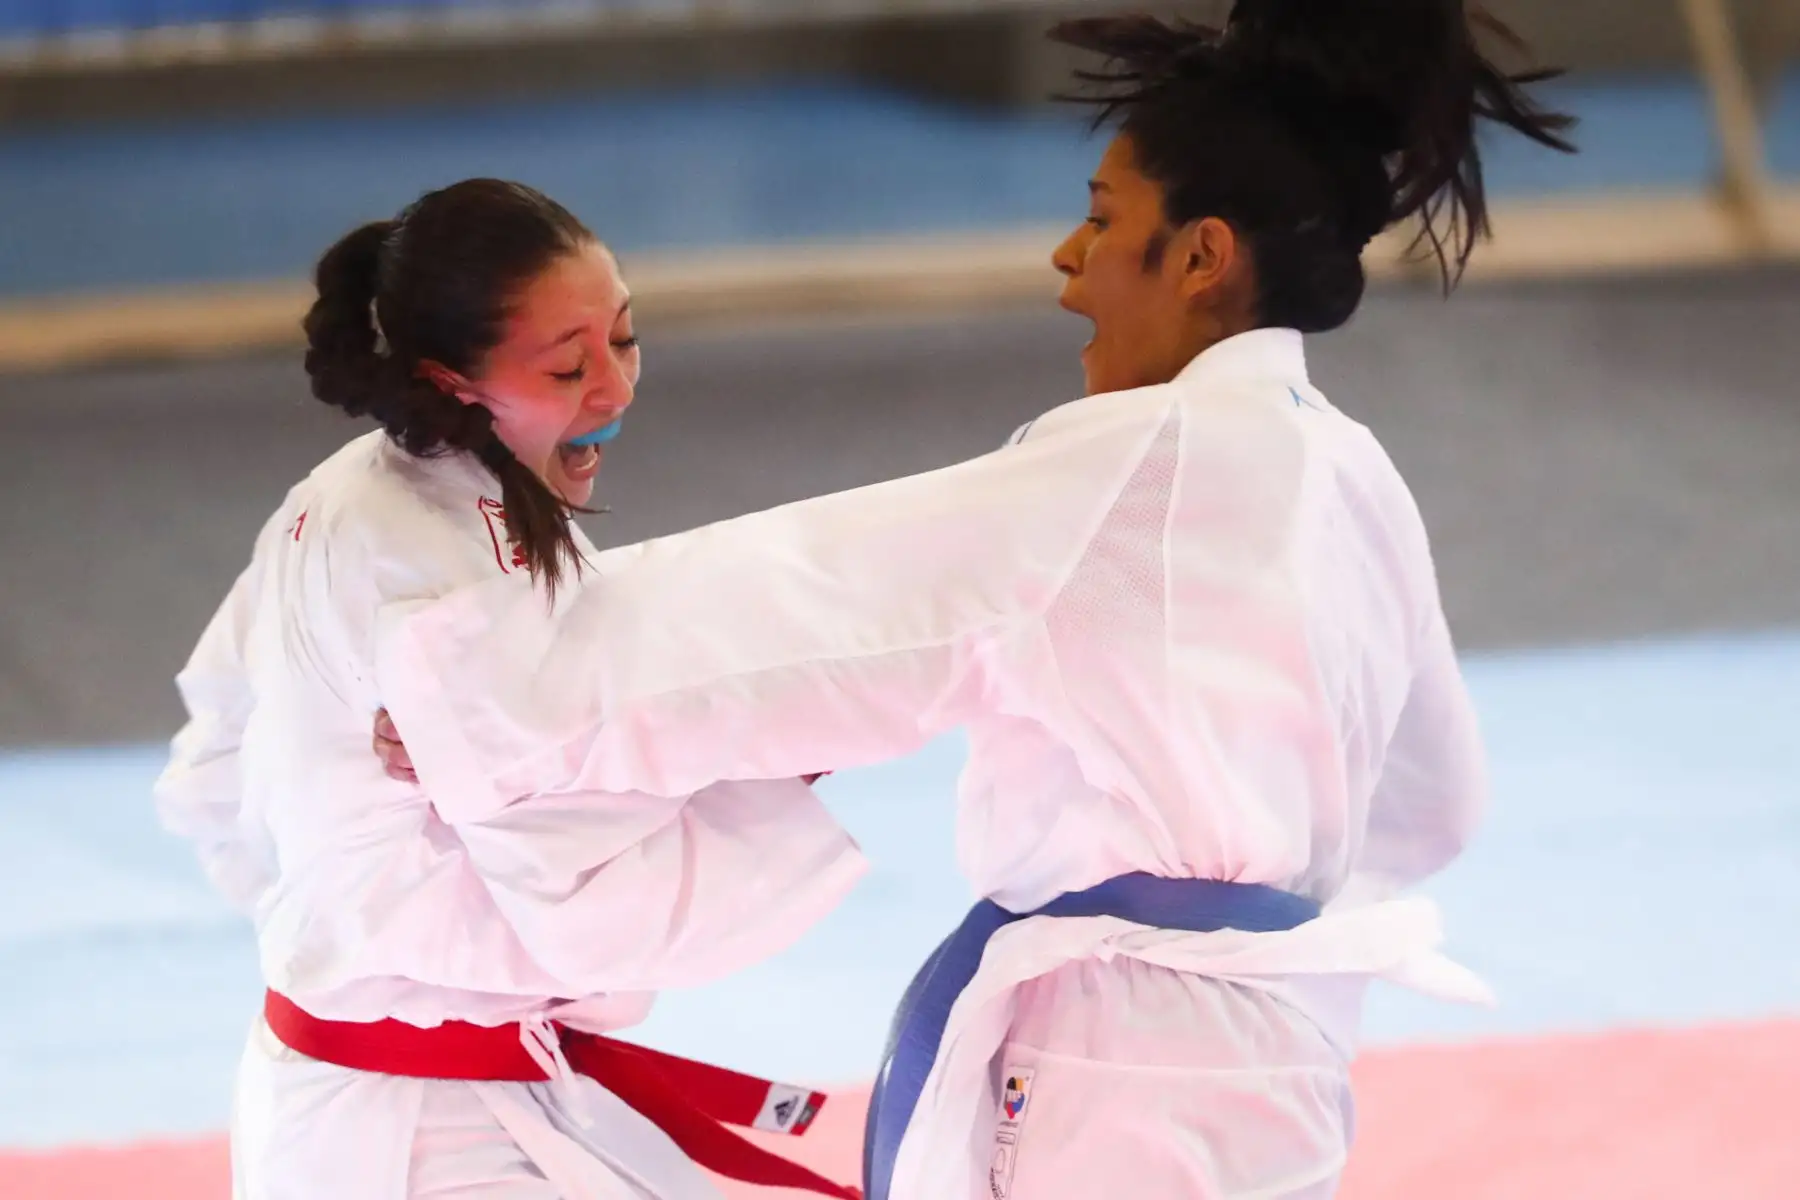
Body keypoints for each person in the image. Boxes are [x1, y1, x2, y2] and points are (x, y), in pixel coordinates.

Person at [370, 4, 1577, 1196]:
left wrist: (482, 691)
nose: (1067, 258)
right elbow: (1433, 802)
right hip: (1285, 1062)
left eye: (1103, 219)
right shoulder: (1353, 475)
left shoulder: (1137, 467)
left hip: (1123, 1070)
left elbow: (818, 602)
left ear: (1202, 257)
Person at [154, 178, 865, 1200]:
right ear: (450, 382)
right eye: (569, 366)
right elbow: (594, 894)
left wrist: (331, 903)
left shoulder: (353, 492)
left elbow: (215, 756)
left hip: (384, 1087)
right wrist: (793, 723)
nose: (615, 390)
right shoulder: (447, 571)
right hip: (414, 1137)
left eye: (625, 340)